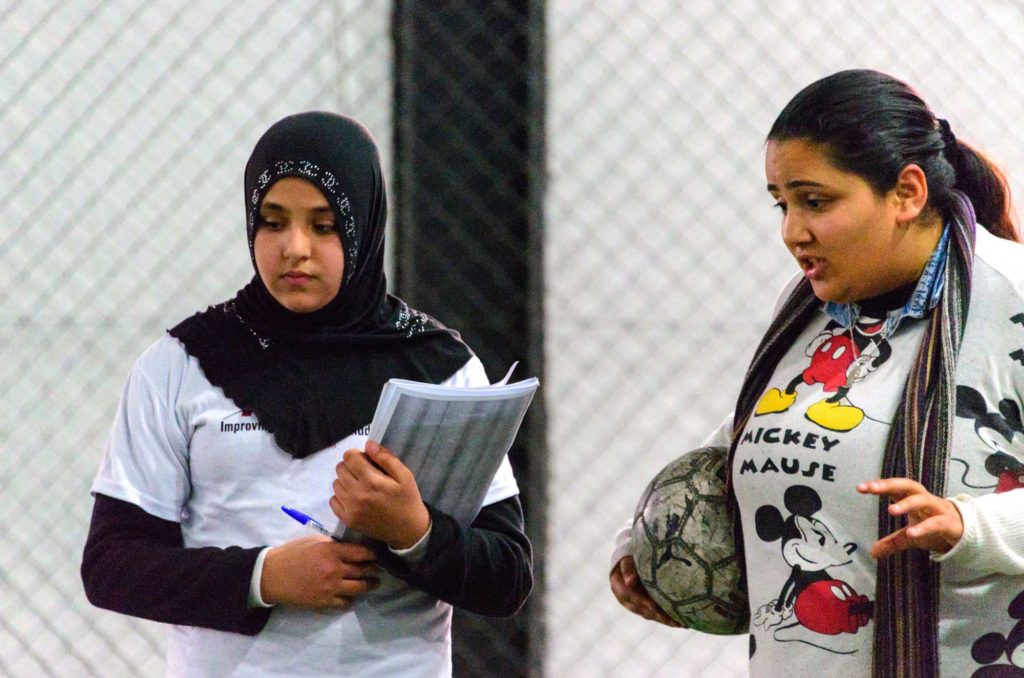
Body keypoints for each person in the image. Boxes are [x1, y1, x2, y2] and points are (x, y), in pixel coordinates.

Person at [81, 111, 532, 677]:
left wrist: (414, 531)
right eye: (273, 222)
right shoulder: (181, 365)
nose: (295, 248)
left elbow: (508, 579)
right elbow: (111, 566)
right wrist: (263, 578)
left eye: (323, 226)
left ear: (363, 228)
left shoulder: (440, 369)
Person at [610, 69, 1024, 676]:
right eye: (781, 203)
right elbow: (759, 432)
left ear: (907, 193)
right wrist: (653, 537)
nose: (791, 231)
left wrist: (970, 524)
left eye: (815, 201)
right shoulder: (804, 305)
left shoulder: (1011, 298)